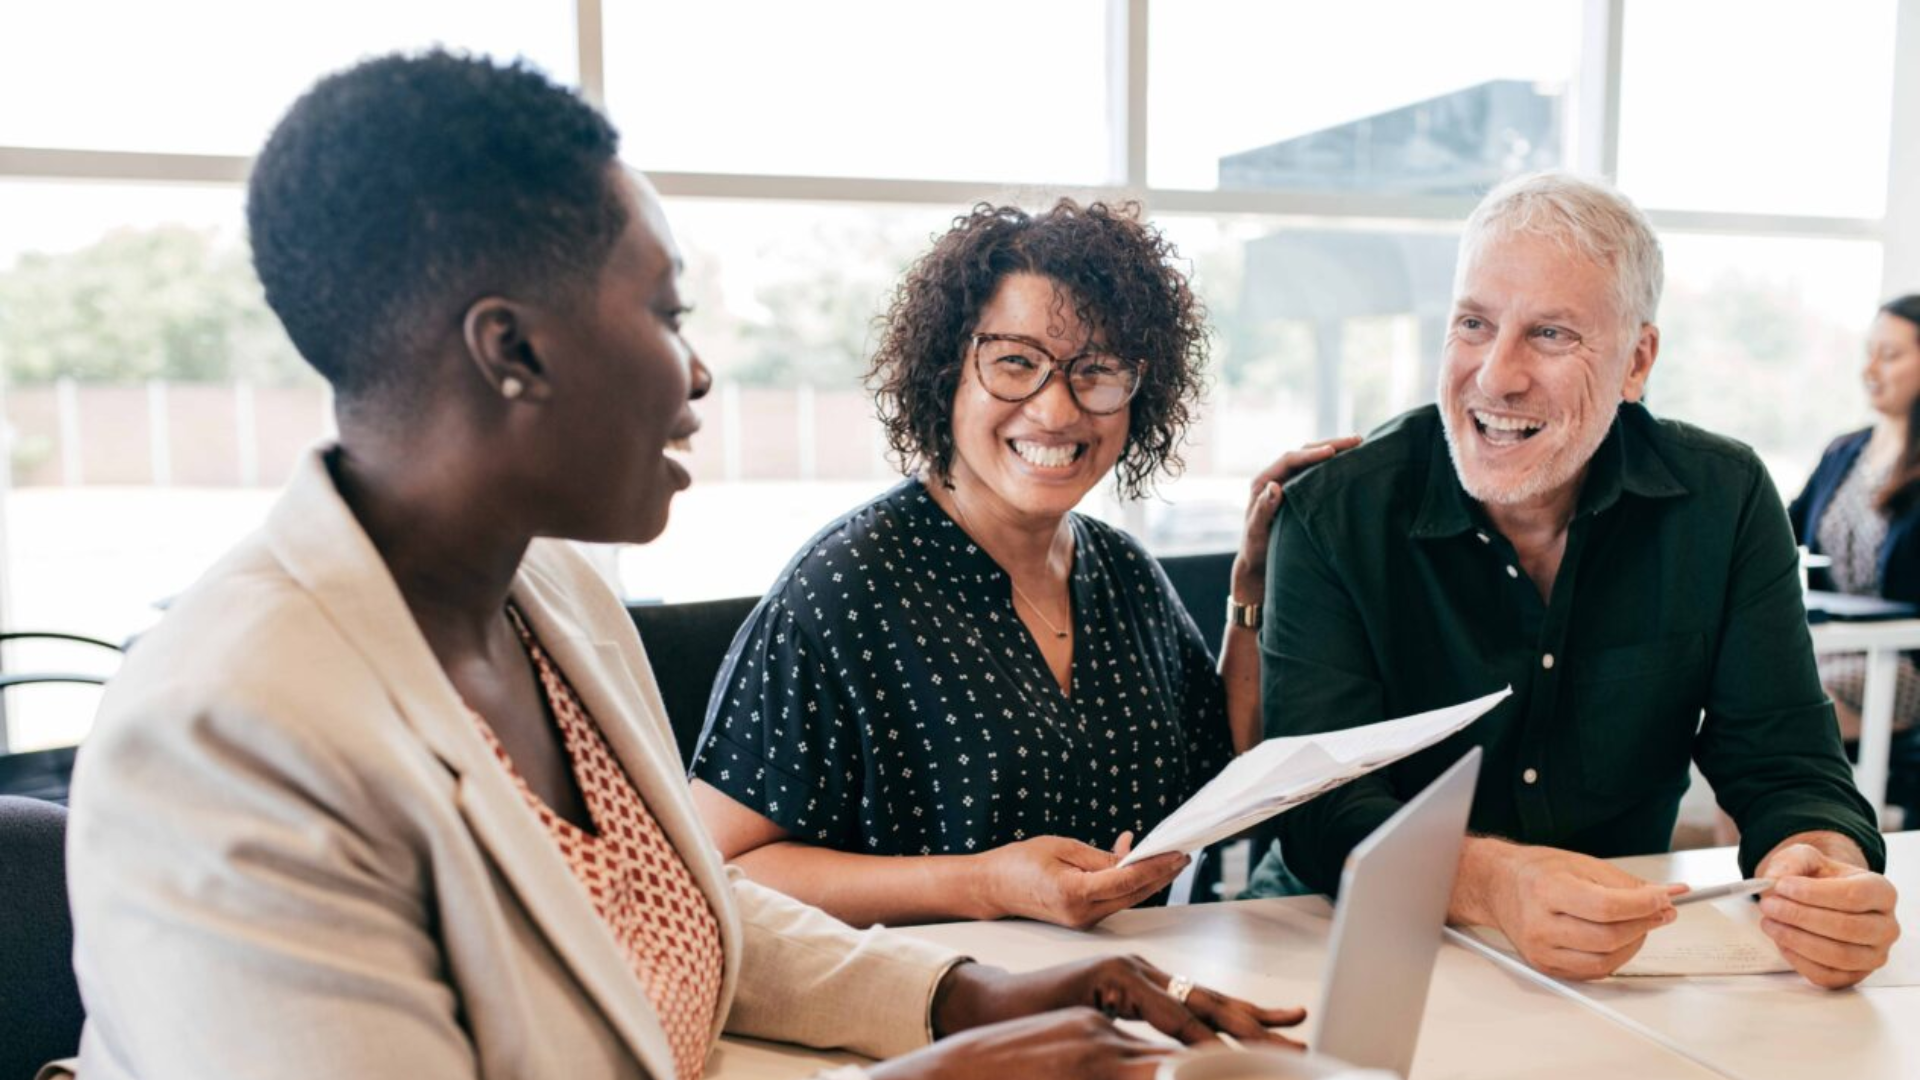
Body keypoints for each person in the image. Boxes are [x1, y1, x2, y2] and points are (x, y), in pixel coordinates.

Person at [53, 52, 1306, 1080]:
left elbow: (684, 903)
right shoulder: (228, 731)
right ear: (514, 353)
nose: (696, 372)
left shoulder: (558, 602)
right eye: (664, 313)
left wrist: (974, 995)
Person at [1250, 170, 1900, 989]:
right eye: (1473, 324)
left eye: (1551, 334)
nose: (1496, 376)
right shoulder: (1335, 514)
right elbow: (1320, 806)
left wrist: (1821, 869)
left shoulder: (1724, 499)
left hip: (1615, 952)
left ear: (1637, 361)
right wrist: (1495, 883)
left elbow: (1786, 765)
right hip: (1343, 930)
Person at [691, 200, 1353, 929]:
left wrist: (1251, 587)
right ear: (947, 373)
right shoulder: (843, 590)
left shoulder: (1123, 573)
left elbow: (1225, 765)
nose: (1058, 410)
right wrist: (982, 884)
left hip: (1127, 994)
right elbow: (724, 868)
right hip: (930, 1015)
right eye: (1016, 362)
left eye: (1096, 371)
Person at [1789, 295, 1920, 823]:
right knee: (1745, 709)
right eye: (1869, 353)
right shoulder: (1845, 451)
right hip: (1835, 647)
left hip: (1904, 661)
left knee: (1779, 719)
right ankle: (1749, 880)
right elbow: (1779, 533)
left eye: (1888, 355)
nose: (1869, 369)